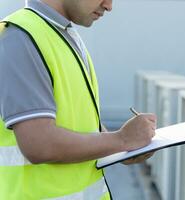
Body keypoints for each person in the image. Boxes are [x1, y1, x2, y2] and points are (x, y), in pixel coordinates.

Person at [0, 0, 156, 199]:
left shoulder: (62, 34)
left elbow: (82, 127)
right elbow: (38, 144)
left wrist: (124, 148)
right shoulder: (20, 37)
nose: (109, 6)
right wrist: (122, 139)